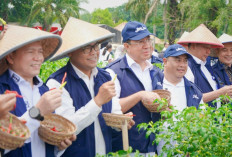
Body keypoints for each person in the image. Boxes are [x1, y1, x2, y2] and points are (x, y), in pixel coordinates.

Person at [46, 17, 133, 157]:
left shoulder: (106, 77)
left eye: (95, 46)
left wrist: (121, 121)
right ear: (70, 52)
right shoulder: (58, 83)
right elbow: (66, 129)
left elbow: (114, 112)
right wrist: (97, 101)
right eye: (86, 48)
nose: (94, 52)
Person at [0, 25, 76, 157]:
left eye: (40, 52)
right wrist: (37, 112)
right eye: (30, 52)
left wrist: (59, 144)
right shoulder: (2, 89)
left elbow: (43, 134)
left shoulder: (43, 89)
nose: (38, 58)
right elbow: (4, 143)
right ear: (11, 57)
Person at [106, 21, 163, 156]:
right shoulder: (114, 72)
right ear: (126, 46)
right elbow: (110, 109)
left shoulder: (156, 71)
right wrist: (139, 95)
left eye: (148, 40)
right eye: (140, 42)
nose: (147, 45)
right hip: (127, 149)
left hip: (153, 147)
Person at [157, 44, 203, 155]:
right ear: (165, 61)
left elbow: (202, 119)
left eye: (185, 61)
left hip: (185, 151)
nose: (182, 65)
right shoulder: (155, 85)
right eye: (177, 60)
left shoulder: (194, 90)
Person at [178, 24, 232, 108]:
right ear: (193, 46)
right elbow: (189, 97)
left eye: (210, 48)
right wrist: (219, 93)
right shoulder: (187, 67)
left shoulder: (206, 66)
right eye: (205, 47)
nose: (208, 51)